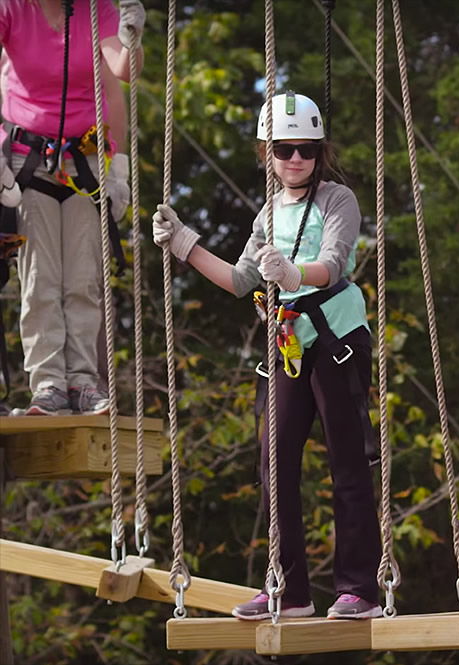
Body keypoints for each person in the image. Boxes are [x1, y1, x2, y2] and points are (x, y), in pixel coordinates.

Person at [152, 92, 382, 620]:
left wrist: (295, 275)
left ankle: (359, 589)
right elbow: (239, 280)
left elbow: (335, 261)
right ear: (267, 153)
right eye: (284, 149)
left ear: (319, 152)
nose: (295, 159)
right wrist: (185, 244)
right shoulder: (267, 213)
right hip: (288, 343)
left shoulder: (336, 200)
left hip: (337, 338)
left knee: (346, 460)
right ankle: (289, 588)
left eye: (305, 149)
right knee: (273, 462)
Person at [0, 0, 145, 415]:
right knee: (39, 278)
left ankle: (82, 381)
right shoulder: (12, 7)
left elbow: (124, 72)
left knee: (82, 278)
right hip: (25, 159)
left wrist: (132, 37)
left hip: (84, 158)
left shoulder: (94, 7)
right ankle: (48, 383)